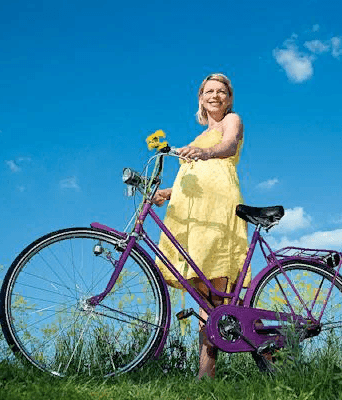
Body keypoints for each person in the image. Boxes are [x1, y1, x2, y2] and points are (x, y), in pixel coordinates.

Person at [152, 73, 249, 379]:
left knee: (216, 290)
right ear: (201, 99)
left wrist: (206, 152)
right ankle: (206, 376)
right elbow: (193, 180)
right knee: (203, 295)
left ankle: (209, 373)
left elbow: (229, 147)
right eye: (209, 91)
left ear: (229, 99)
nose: (215, 95)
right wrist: (167, 193)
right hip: (194, 214)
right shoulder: (198, 138)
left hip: (218, 207)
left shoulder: (231, 120)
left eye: (221, 91)